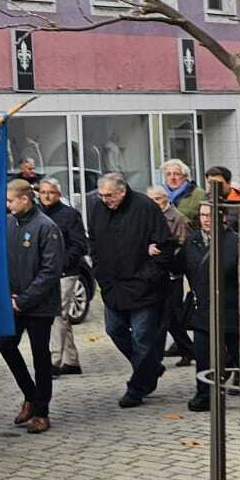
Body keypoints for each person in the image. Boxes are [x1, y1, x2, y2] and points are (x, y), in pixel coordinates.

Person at [86, 172, 175, 408]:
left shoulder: (146, 208)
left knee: (143, 338)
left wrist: (148, 277)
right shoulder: (98, 209)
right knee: (115, 330)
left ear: (122, 191)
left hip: (144, 288)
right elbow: (93, 241)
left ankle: (138, 387)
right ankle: (150, 368)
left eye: (109, 195)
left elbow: (165, 247)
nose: (105, 200)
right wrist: (99, 272)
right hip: (112, 286)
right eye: (102, 195)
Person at [1, 180, 63, 433]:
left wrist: (24, 300)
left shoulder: (46, 227)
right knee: (5, 345)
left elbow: (50, 271)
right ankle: (31, 395)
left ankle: (42, 412)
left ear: (25, 199)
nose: (7, 205)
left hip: (39, 305)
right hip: (12, 302)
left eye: (10, 201)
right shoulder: (9, 223)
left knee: (40, 355)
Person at [181, 203, 239, 412]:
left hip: (230, 309)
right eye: (202, 215)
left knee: (237, 352)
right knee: (203, 354)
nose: (205, 219)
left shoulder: (235, 242)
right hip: (203, 308)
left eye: (210, 215)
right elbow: (181, 266)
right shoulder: (193, 240)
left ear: (222, 217)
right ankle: (205, 394)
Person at [37, 178, 88, 377]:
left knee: (57, 314)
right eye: (43, 192)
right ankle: (72, 361)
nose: (47, 196)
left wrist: (62, 263)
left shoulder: (70, 215)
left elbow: (79, 244)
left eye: (51, 192)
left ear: (59, 194)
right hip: (43, 273)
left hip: (66, 273)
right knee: (61, 316)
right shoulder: (37, 215)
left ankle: (54, 361)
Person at [147, 186, 193, 366]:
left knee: (169, 315)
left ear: (166, 199)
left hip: (172, 273)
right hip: (154, 273)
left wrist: (165, 254)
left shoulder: (178, 218)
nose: (154, 203)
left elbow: (184, 246)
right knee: (169, 317)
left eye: (158, 199)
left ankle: (186, 350)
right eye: (151, 199)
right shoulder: (148, 216)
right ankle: (189, 350)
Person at [160, 159, 201, 227]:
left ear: (185, 176)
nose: (172, 178)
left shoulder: (198, 194)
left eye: (176, 174)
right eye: (168, 174)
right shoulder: (158, 194)